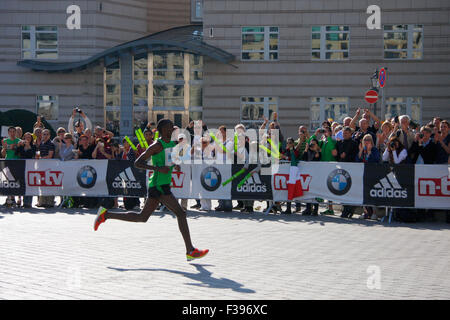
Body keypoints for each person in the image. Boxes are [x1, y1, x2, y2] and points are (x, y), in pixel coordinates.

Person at [94, 119, 209, 262]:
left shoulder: (172, 143)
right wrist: (157, 168)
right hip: (158, 185)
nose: (172, 129)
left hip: (163, 184)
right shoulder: (156, 146)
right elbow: (138, 163)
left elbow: (171, 158)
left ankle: (106, 215)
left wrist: (175, 165)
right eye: (169, 127)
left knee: (142, 217)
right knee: (180, 213)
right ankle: (190, 250)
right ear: (162, 130)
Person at [336, 126, 359, 218]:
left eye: (346, 133)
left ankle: (348, 209)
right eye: (343, 133)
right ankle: (345, 208)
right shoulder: (339, 143)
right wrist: (339, 156)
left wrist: (346, 156)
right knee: (342, 189)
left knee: (349, 189)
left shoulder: (354, 143)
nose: (344, 135)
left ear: (350, 134)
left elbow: (355, 155)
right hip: (341, 168)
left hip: (351, 168)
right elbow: (336, 155)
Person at [356, 134, 381, 219]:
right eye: (365, 140)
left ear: (371, 141)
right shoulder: (362, 150)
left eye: (368, 140)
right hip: (363, 175)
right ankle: (366, 212)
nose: (366, 141)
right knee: (364, 194)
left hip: (372, 175)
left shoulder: (374, 150)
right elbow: (357, 161)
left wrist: (370, 152)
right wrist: (360, 151)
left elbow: (376, 160)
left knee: (373, 194)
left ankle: (374, 213)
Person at [300, 138, 321, 216]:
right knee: (307, 191)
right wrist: (306, 149)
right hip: (308, 175)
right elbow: (303, 159)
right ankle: (308, 208)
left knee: (315, 192)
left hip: (316, 175)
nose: (312, 145)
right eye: (311, 144)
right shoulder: (308, 151)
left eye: (314, 144)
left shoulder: (318, 152)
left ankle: (315, 209)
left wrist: (316, 150)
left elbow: (317, 159)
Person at [16, 132, 36, 208]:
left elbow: (32, 154)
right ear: (23, 138)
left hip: (30, 167)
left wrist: (28, 146)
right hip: (22, 167)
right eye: (26, 137)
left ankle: (28, 202)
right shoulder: (21, 146)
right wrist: (18, 146)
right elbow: (16, 153)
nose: (27, 139)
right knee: (22, 184)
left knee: (29, 184)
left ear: (31, 139)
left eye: (29, 138)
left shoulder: (33, 146)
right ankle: (21, 200)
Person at [36, 129, 56, 208]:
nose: (45, 135)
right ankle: (42, 202)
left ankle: (50, 202)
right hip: (42, 166)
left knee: (49, 184)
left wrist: (41, 158)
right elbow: (39, 154)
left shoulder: (51, 144)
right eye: (44, 134)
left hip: (49, 166)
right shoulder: (41, 143)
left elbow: (50, 156)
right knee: (42, 183)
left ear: (49, 135)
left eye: (47, 134)